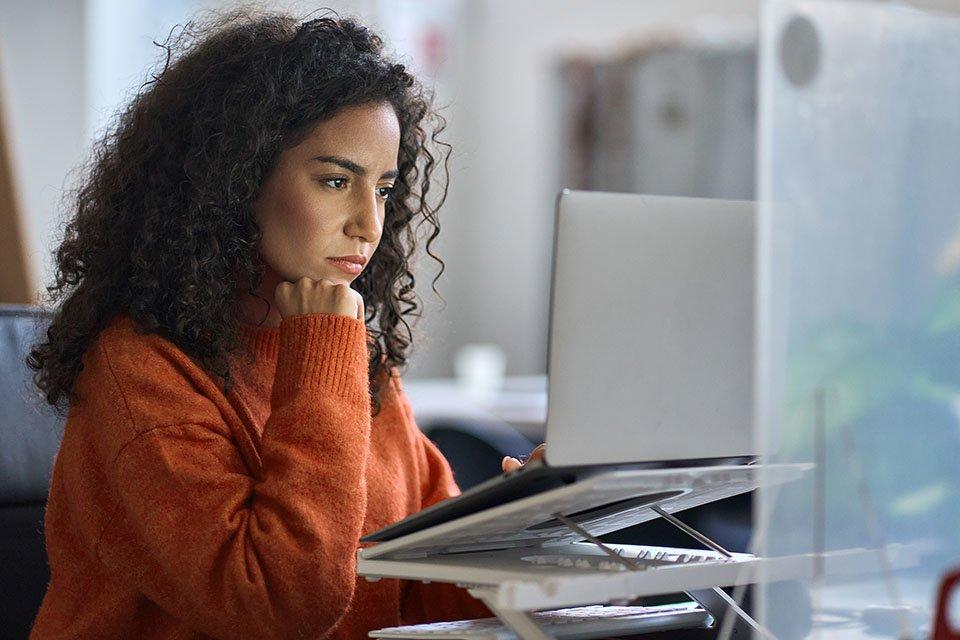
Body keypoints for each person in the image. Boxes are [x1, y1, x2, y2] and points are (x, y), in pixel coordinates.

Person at [25, 9, 539, 639]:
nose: (368, 225)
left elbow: (421, 590)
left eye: (382, 187)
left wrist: (525, 525)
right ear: (235, 179)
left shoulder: (357, 362)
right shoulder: (138, 369)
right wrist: (321, 351)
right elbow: (280, 606)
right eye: (334, 180)